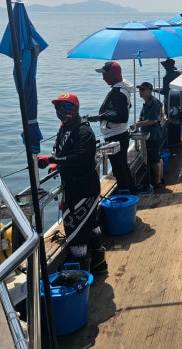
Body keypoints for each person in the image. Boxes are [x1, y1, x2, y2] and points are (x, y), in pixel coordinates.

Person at [38, 93, 107, 274]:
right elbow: (64, 152)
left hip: (84, 187)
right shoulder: (64, 129)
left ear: (75, 108)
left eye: (65, 106)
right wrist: (57, 163)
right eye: (57, 106)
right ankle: (98, 265)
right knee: (89, 224)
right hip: (72, 186)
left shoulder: (84, 131)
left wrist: (53, 159)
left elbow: (81, 158)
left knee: (76, 230)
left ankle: (83, 274)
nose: (60, 110)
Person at [89, 61, 135, 192]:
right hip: (118, 133)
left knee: (118, 168)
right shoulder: (120, 88)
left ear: (112, 75)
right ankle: (130, 190)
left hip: (116, 135)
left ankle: (125, 193)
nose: (103, 78)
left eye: (105, 74)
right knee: (121, 165)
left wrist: (102, 117)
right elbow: (126, 107)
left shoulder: (119, 92)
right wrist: (107, 114)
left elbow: (123, 117)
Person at [135, 81, 165, 192]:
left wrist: (138, 124)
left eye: (143, 89)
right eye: (140, 89)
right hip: (154, 134)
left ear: (150, 90)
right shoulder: (149, 102)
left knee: (155, 159)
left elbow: (153, 120)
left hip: (153, 135)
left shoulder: (153, 102)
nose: (140, 91)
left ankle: (157, 183)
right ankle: (160, 179)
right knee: (157, 157)